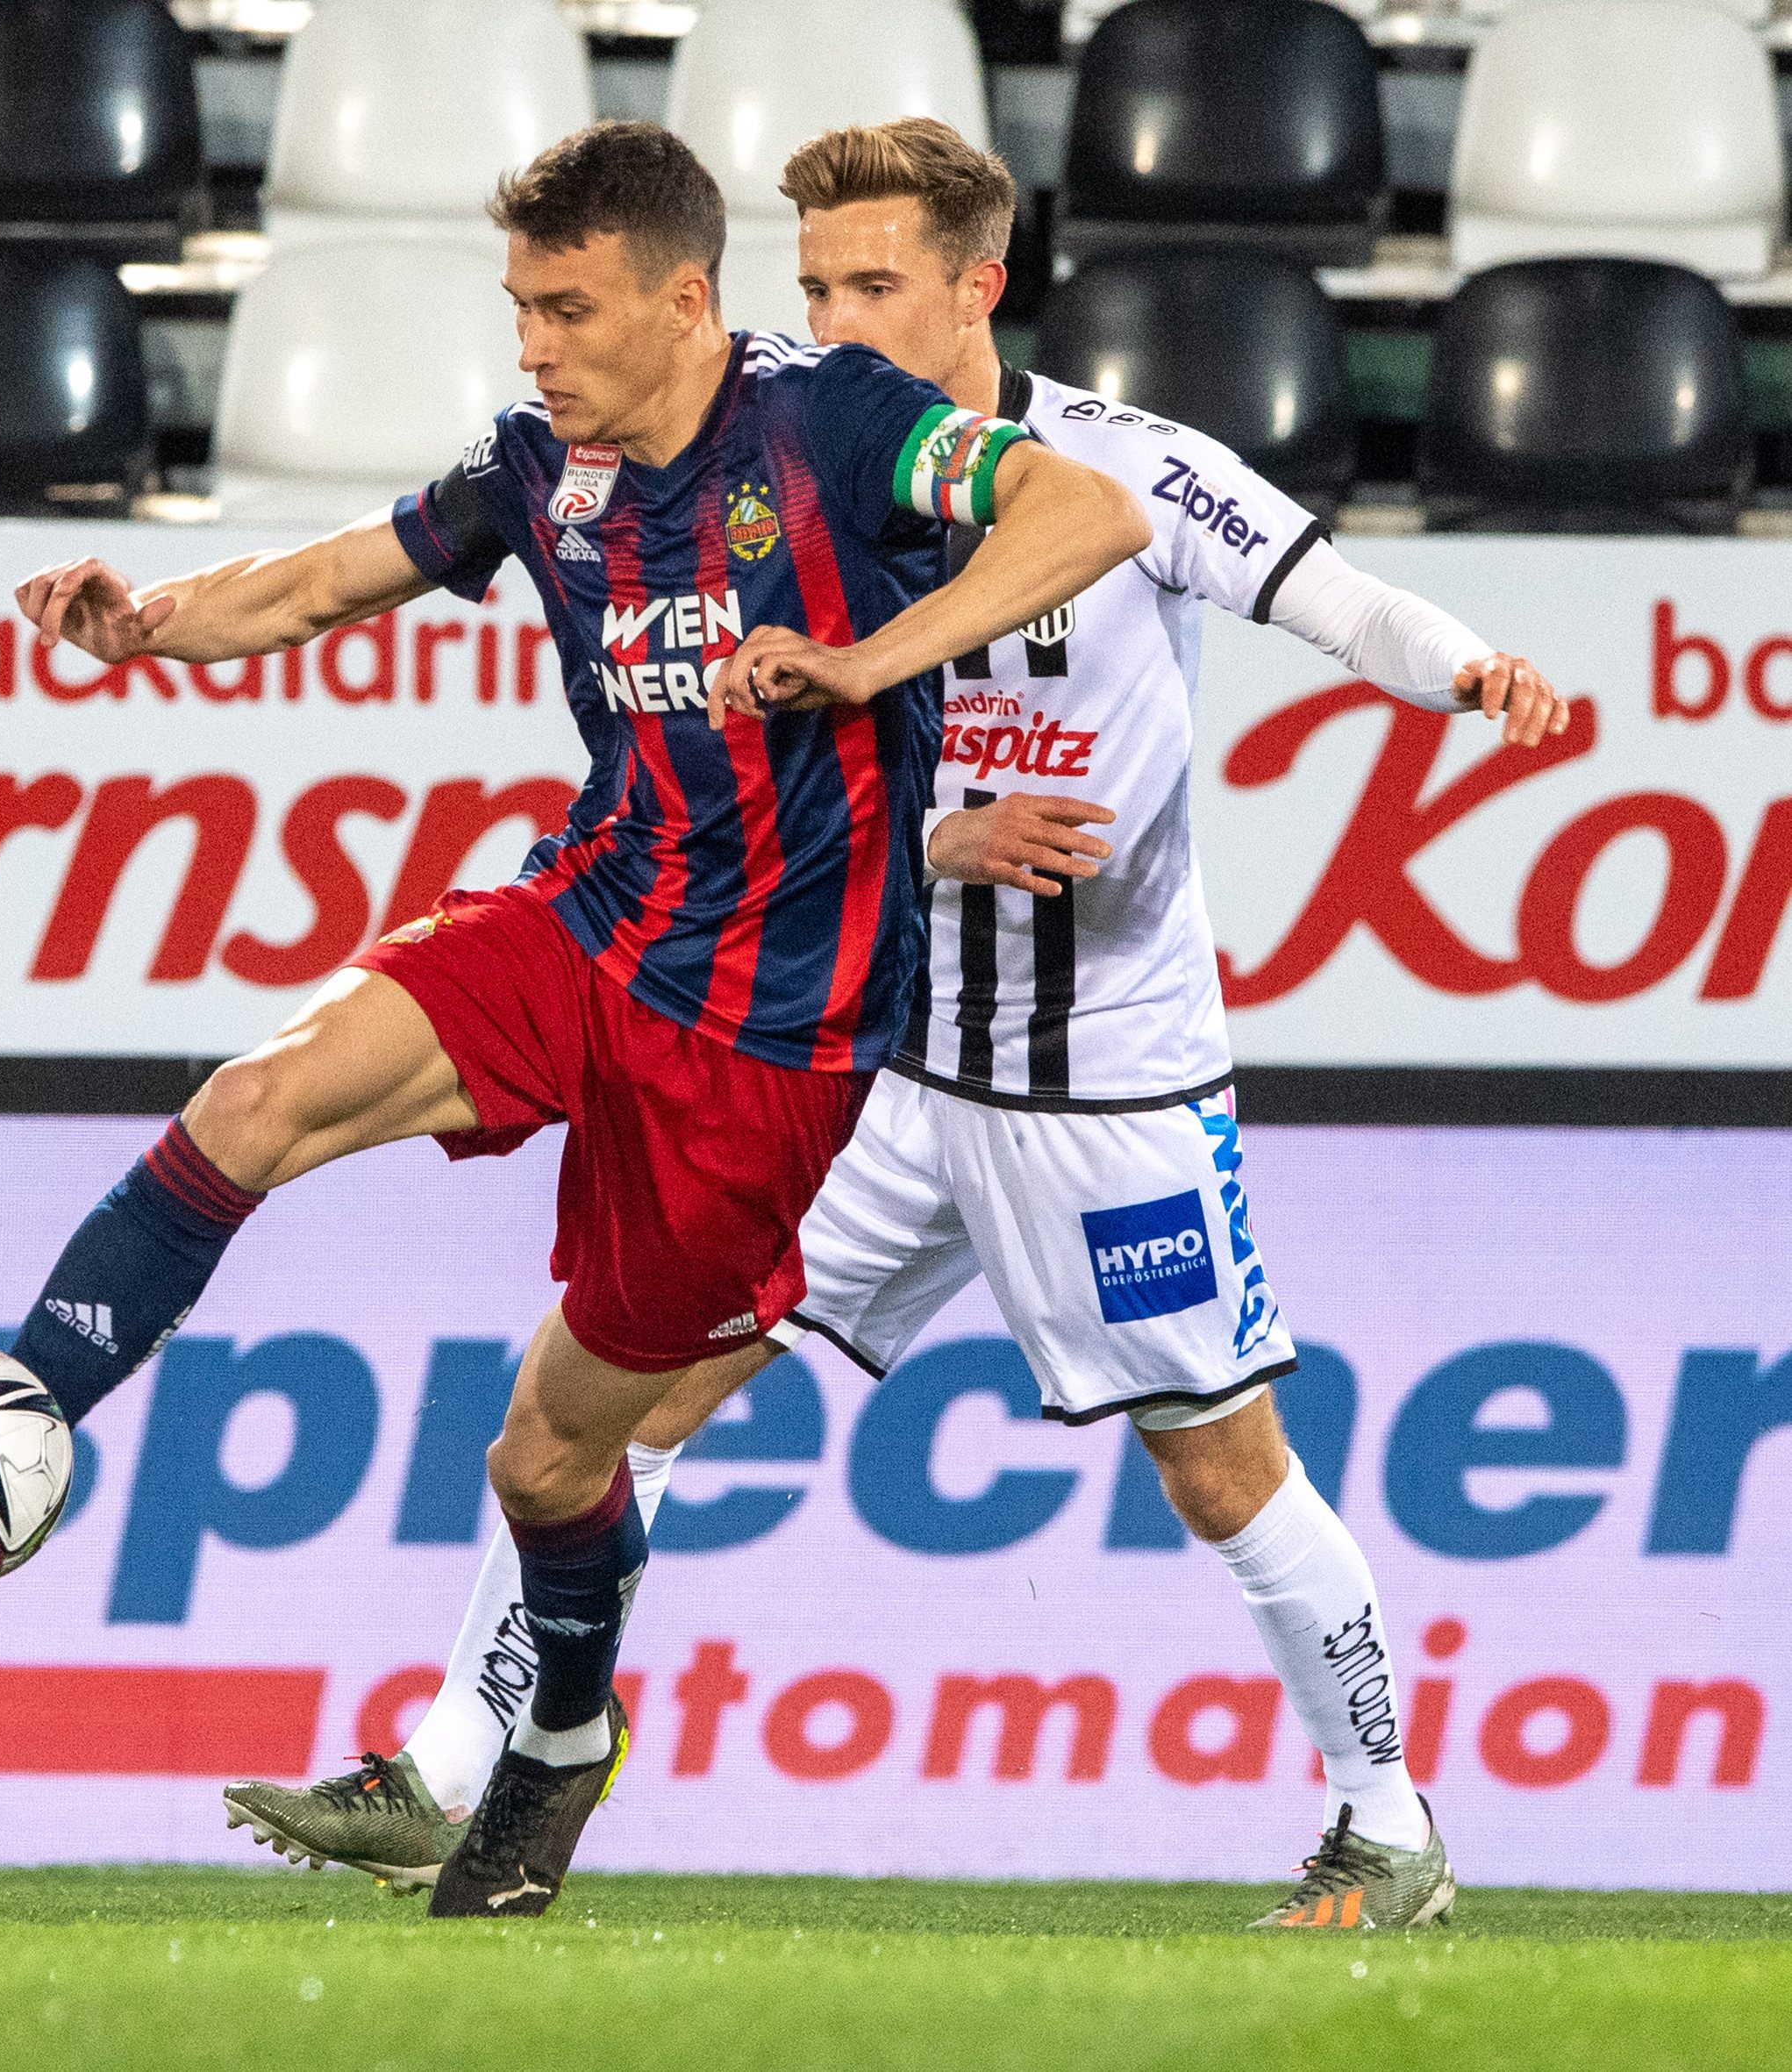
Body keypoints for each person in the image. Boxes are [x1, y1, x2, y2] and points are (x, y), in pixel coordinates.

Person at [0, 120, 1150, 1919]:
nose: (535, 348)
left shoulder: (831, 423)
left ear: (679, 301)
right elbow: (319, 578)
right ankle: (29, 1414)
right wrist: (142, 623)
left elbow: (1086, 508)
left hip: (766, 1051)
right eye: (519, 310)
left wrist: (873, 661)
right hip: (585, 918)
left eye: (567, 312)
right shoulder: (537, 467)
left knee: (545, 1452)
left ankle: (560, 1741)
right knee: (258, 1096)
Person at [224, 118, 1570, 1933]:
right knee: (636, 1391)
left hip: (1101, 1086)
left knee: (1217, 1460)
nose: (838, 318)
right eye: (815, 286)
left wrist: (1466, 669)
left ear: (975, 283)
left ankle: (1384, 1817)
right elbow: (771, 778)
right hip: (877, 1067)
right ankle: (457, 1763)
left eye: (874, 283)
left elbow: (1335, 598)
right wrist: (940, 832)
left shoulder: (1117, 468)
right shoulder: (795, 462)